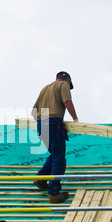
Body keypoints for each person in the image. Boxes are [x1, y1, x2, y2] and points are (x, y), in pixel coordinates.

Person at [31, 71, 78, 203]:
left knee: (55, 155)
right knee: (58, 158)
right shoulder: (63, 85)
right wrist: (75, 119)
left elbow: (34, 111)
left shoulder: (45, 88)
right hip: (54, 123)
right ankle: (53, 192)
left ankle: (40, 179)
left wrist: (42, 123)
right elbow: (67, 102)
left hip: (41, 124)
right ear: (67, 80)